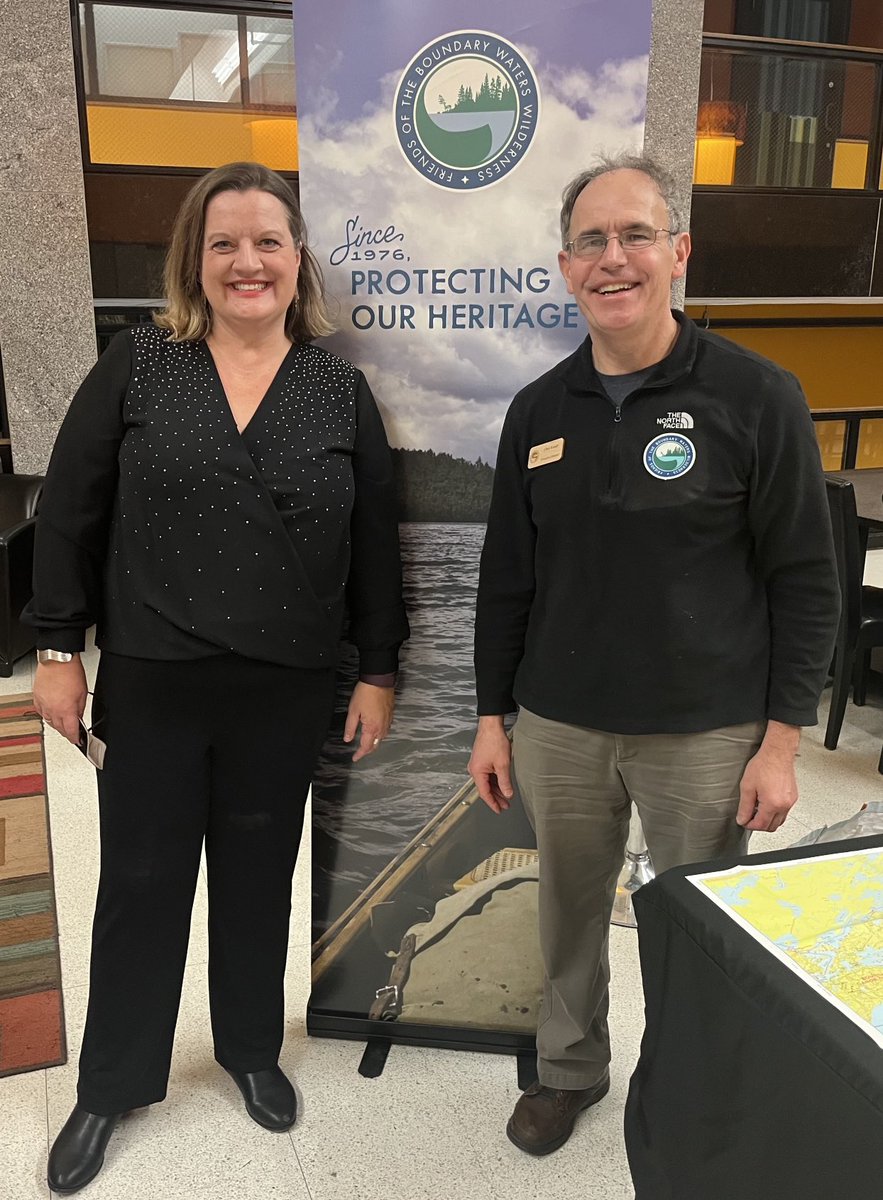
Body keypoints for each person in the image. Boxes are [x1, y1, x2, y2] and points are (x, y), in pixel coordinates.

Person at [27, 161, 408, 1194]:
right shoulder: (141, 364)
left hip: (283, 686)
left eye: (268, 241)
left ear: (297, 261)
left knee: (254, 883)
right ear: (196, 261)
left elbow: (378, 541)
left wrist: (377, 669)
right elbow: (67, 511)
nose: (248, 261)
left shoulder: (338, 386)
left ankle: (247, 1049)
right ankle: (111, 1083)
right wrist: (56, 651)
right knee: (141, 888)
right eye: (225, 242)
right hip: (153, 679)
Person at [468, 152, 839, 1157]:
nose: (612, 258)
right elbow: (506, 577)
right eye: (590, 240)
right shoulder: (538, 411)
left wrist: (778, 742)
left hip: (705, 730)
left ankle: (694, 1081)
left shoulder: (756, 396)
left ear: (677, 252)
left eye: (635, 234)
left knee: (695, 929)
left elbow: (805, 578)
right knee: (567, 914)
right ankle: (568, 1070)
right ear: (563, 264)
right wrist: (490, 718)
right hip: (561, 722)